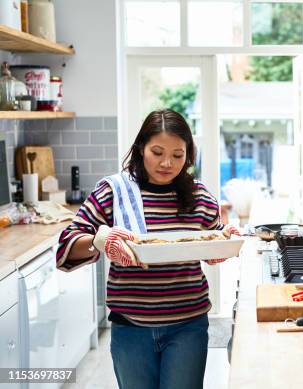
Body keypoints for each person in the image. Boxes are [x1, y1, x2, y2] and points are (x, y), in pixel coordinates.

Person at [56, 109, 238, 389]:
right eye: (157, 152)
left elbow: (213, 244)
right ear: (141, 147)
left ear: (188, 154)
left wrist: (224, 243)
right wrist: (98, 240)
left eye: (178, 155)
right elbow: (66, 245)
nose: (167, 163)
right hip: (130, 329)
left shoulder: (200, 196)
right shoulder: (113, 192)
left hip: (188, 325)